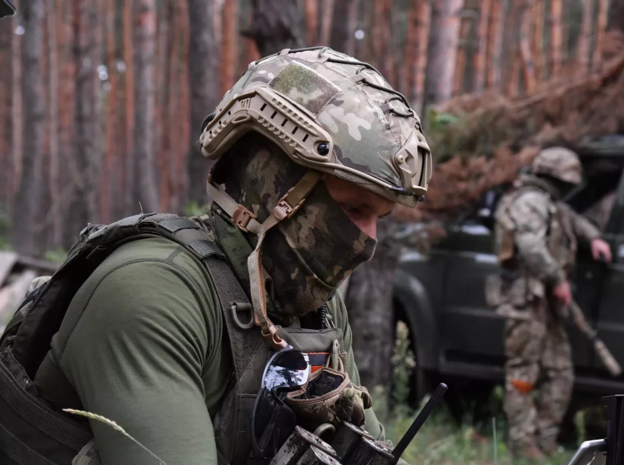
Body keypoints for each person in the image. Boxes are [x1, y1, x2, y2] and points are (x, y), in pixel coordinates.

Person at [0, 47, 431, 465]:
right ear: (273, 188)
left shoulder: (315, 311)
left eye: (380, 217)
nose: (366, 241)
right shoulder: (151, 291)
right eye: (353, 209)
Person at [489, 147, 612, 459]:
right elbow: (529, 245)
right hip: (527, 301)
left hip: (546, 306)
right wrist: (557, 280)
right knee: (522, 374)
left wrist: (593, 237)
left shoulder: (550, 203)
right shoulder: (530, 201)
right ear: (553, 177)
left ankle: (545, 442)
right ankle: (523, 445)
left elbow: (571, 219)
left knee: (560, 374)